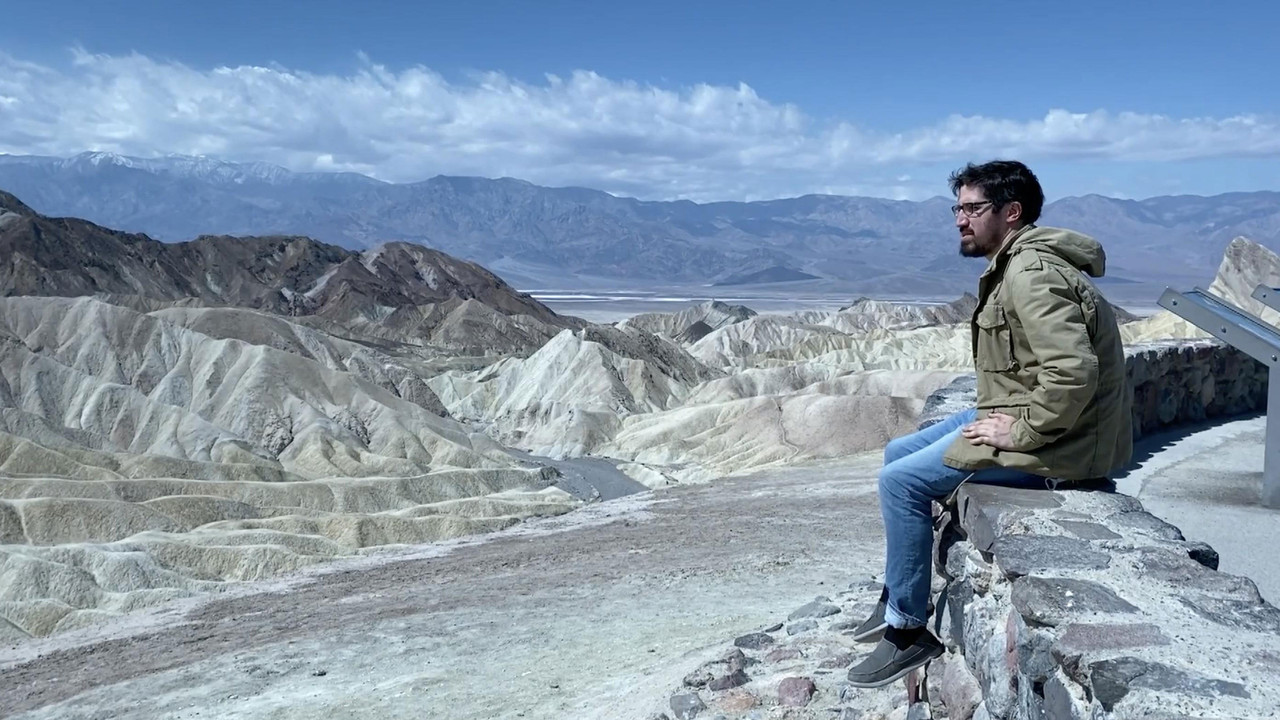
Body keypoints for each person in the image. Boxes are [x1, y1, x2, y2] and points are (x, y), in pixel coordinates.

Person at [846, 160, 1133, 687]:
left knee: (900, 482)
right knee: (896, 452)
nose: (960, 219)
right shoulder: (1016, 264)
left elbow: (1073, 370)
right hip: (1019, 412)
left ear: (1012, 212)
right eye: (957, 207)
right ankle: (896, 593)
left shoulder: (1031, 274)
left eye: (973, 208)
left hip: (1064, 445)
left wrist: (1020, 435)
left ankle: (908, 634)